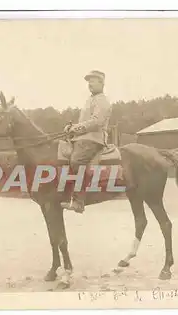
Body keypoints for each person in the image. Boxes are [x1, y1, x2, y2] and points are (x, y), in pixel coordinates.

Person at [60, 70, 113, 214]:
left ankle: (78, 201)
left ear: (101, 83)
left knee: (77, 161)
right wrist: (70, 128)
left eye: (93, 81)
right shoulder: (90, 100)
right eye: (88, 81)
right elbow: (84, 122)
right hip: (83, 137)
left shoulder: (102, 101)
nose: (89, 84)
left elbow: (97, 122)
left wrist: (75, 128)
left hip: (94, 139)